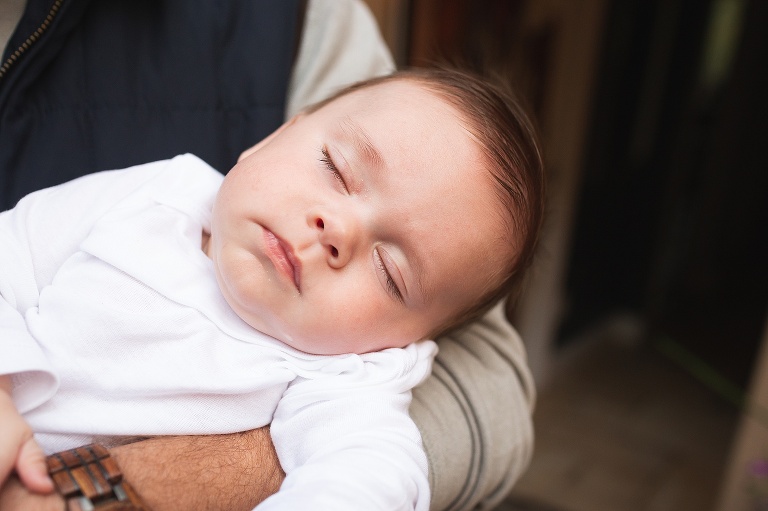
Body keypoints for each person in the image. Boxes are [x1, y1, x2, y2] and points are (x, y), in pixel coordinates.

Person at [0, 1, 537, 510]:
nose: (337, 230)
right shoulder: (153, 197)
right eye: (337, 168)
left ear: (405, 342)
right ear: (275, 137)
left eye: (389, 273)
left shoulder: (340, 377)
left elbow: (370, 476)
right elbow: (10, 255)